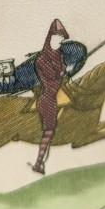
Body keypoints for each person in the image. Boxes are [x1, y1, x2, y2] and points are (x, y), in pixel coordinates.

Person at [32, 18, 69, 174]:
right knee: (49, 129)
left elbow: (61, 73)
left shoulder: (59, 55)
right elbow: (50, 84)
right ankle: (39, 162)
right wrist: (62, 74)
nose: (59, 42)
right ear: (50, 38)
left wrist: (65, 71)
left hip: (58, 90)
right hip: (48, 96)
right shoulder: (41, 60)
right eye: (57, 39)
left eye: (61, 40)